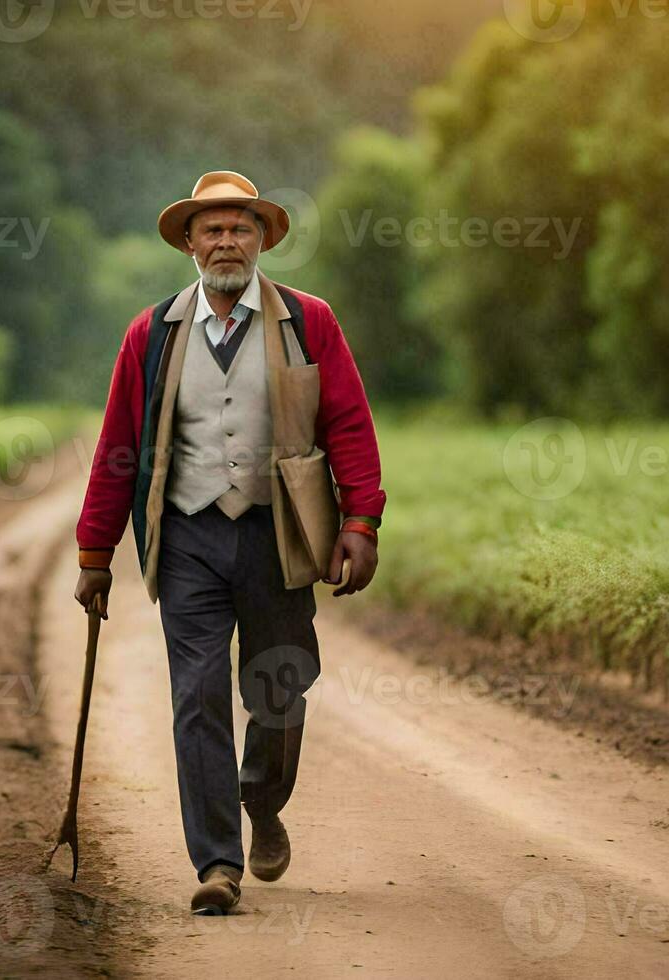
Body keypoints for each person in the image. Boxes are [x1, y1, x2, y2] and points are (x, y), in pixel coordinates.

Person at [72, 171, 386, 914]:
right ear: (188, 242)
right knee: (198, 696)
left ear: (262, 238)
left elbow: (348, 425)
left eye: (239, 227)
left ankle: (263, 800)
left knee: (280, 685)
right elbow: (119, 446)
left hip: (278, 533)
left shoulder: (309, 321)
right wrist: (94, 554)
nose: (225, 240)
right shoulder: (151, 334)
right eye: (210, 229)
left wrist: (360, 523)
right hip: (186, 540)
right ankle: (218, 863)